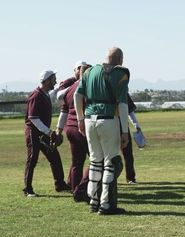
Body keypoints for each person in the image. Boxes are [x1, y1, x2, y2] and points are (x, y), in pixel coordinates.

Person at [74, 47, 129, 215]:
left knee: (95, 162)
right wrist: (125, 130)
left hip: (90, 119)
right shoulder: (120, 74)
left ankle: (93, 201)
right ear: (119, 59)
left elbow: (77, 95)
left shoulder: (89, 71)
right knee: (110, 163)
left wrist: (80, 119)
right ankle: (106, 205)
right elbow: (122, 104)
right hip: (108, 119)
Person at [23, 70, 68, 197]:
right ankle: (27, 189)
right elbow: (33, 118)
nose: (55, 81)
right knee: (32, 159)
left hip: (42, 134)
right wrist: (50, 132)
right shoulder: (36, 95)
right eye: (53, 79)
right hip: (34, 133)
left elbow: (54, 92)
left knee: (54, 156)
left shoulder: (45, 93)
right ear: (47, 80)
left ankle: (60, 184)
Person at [56, 63, 92, 202]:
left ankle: (75, 189)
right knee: (95, 160)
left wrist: (59, 130)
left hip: (69, 128)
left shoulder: (69, 89)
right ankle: (83, 189)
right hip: (81, 127)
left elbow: (64, 111)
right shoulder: (87, 88)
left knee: (77, 162)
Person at [122, 94, 141, 184]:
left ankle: (130, 177)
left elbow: (129, 110)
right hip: (113, 126)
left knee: (128, 154)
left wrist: (136, 124)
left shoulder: (123, 91)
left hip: (122, 127)